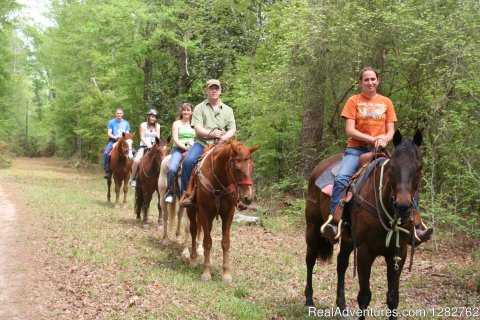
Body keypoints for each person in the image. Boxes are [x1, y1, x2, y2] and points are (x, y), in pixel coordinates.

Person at [321, 67, 433, 244]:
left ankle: (416, 224)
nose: (370, 82)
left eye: (373, 79)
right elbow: (350, 130)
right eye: (366, 80)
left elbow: (390, 131)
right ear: (361, 83)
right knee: (342, 178)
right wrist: (373, 138)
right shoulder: (353, 101)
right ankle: (335, 222)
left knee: (405, 177)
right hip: (356, 150)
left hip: (380, 151)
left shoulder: (386, 102)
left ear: (378, 81)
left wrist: (384, 139)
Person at [179, 79, 236, 207]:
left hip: (222, 144)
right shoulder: (199, 108)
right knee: (188, 161)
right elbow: (197, 128)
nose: (214, 90)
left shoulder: (228, 110)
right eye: (211, 88)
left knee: (238, 162)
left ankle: (237, 197)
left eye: (217, 88)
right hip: (202, 143)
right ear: (207, 90)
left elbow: (232, 129)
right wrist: (212, 134)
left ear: (220, 91)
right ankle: (187, 194)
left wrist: (224, 137)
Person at [164, 103, 196, 203]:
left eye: (188, 110)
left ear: (192, 112)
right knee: (172, 168)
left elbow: (198, 138)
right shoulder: (176, 123)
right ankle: (170, 191)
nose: (186, 112)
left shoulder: (196, 124)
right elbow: (175, 140)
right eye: (184, 110)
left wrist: (193, 147)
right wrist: (185, 147)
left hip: (193, 149)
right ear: (181, 112)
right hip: (178, 149)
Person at [130, 109, 161, 187]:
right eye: (152, 116)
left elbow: (157, 137)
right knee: (136, 160)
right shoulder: (143, 125)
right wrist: (148, 145)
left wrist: (154, 145)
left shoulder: (158, 126)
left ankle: (162, 179)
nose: (153, 118)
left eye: (155, 117)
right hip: (144, 146)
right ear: (148, 117)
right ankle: (134, 178)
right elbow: (142, 137)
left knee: (162, 159)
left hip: (154, 146)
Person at [103, 108, 131, 178]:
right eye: (118, 113)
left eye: (120, 113)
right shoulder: (111, 122)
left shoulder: (126, 123)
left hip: (123, 142)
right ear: (115, 114)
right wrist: (116, 137)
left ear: (123, 114)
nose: (119, 114)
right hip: (113, 140)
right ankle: (107, 170)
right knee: (106, 153)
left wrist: (123, 139)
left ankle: (132, 170)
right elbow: (109, 133)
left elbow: (127, 134)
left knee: (133, 152)